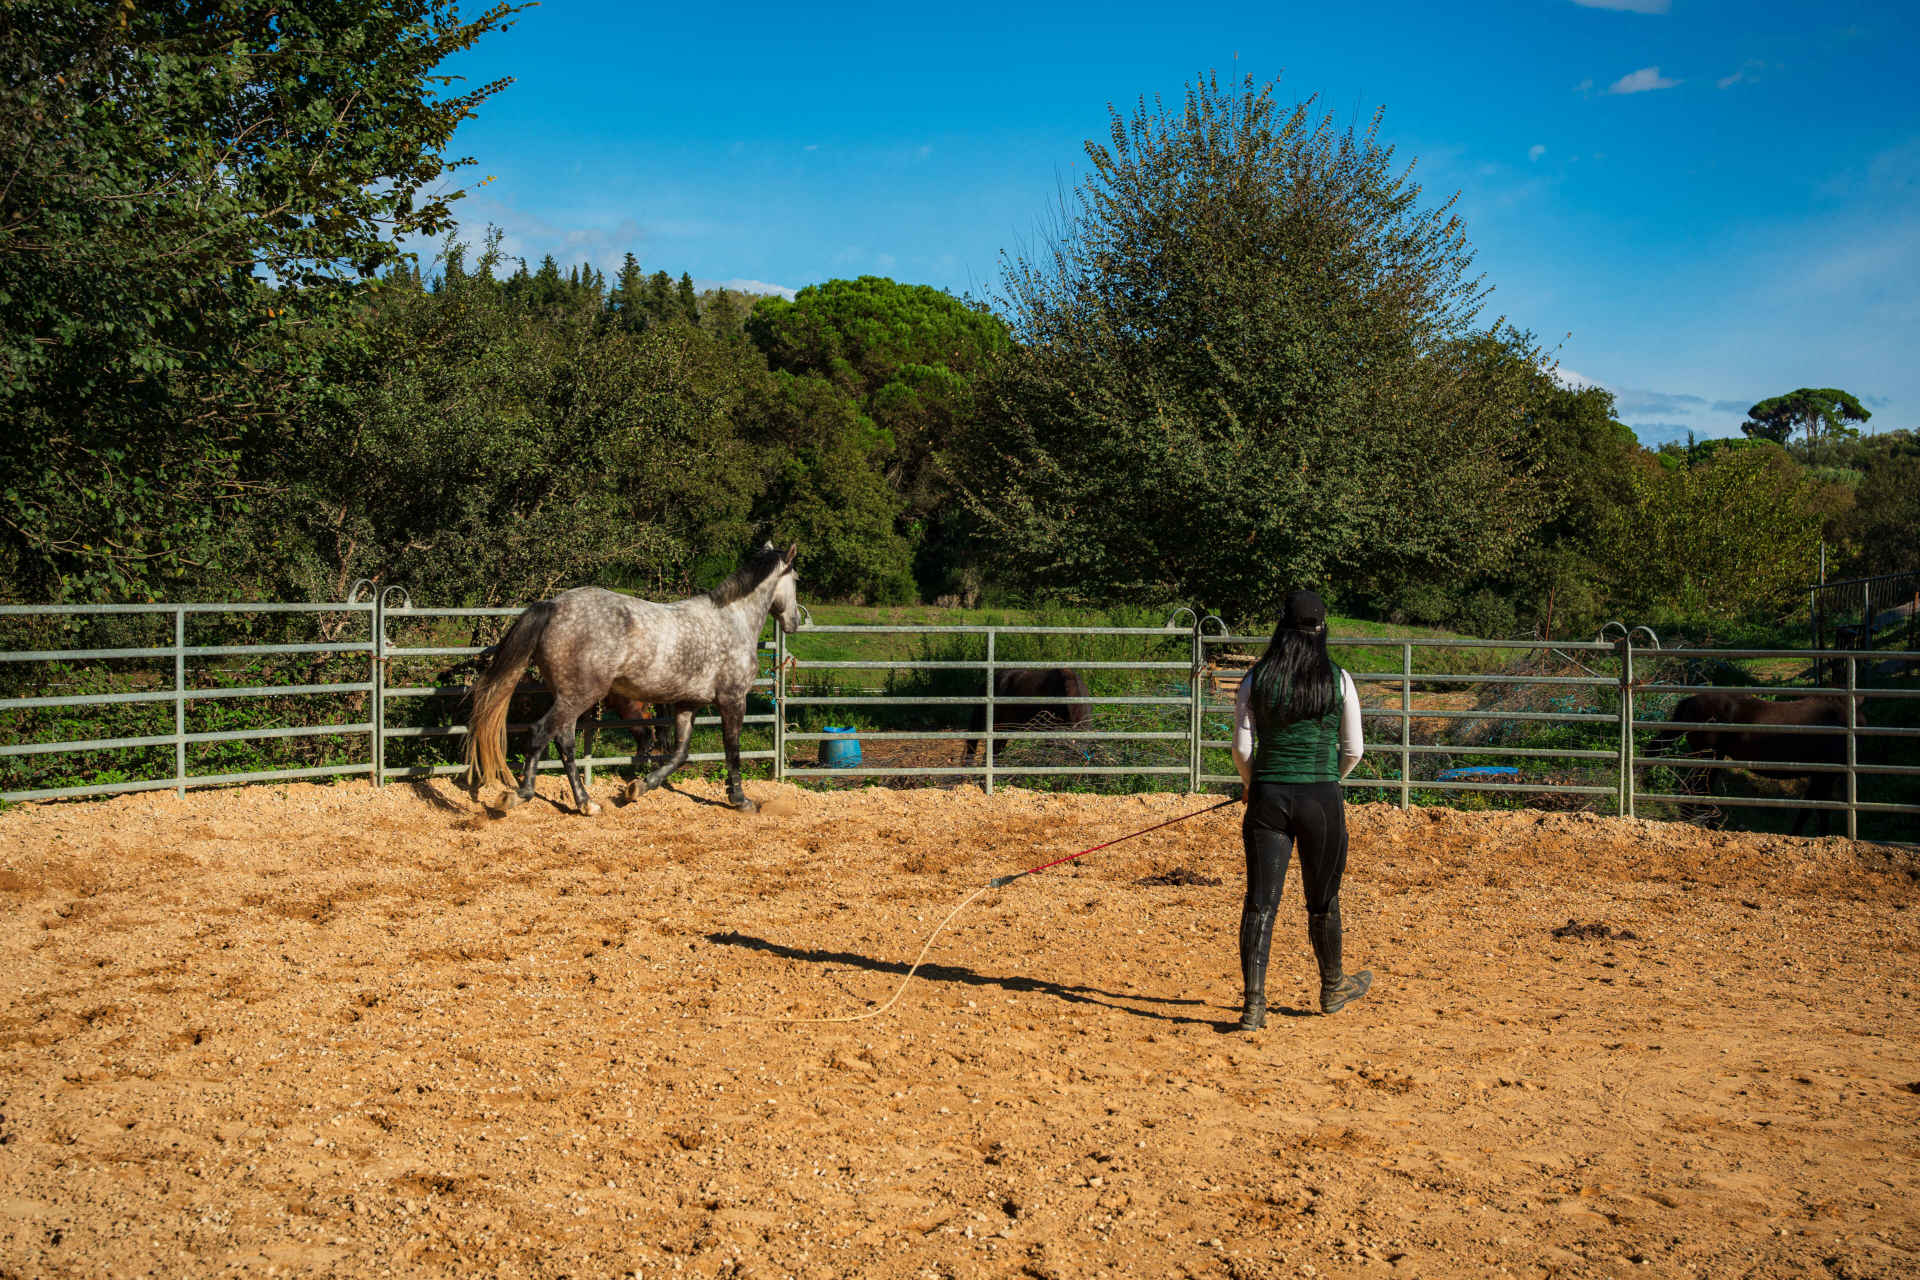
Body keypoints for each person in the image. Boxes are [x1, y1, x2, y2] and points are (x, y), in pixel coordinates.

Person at [1230, 589, 1371, 1031]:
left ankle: (1254, 1004)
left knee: (1260, 903)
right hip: (1321, 799)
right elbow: (1354, 750)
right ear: (1322, 629)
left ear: (1282, 628)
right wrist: (1328, 780)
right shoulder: (1339, 679)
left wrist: (1255, 784)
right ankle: (1332, 987)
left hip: (1269, 797)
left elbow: (1240, 748)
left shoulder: (1257, 677)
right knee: (1323, 898)